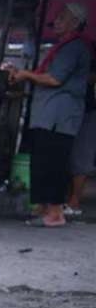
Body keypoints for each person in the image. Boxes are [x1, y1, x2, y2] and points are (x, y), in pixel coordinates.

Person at [4, 3, 91, 228]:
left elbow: (54, 79)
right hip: (48, 116)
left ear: (74, 22)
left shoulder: (74, 47)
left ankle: (55, 213)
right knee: (42, 161)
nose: (57, 21)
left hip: (59, 117)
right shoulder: (61, 47)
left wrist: (25, 74)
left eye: (62, 17)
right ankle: (44, 209)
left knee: (53, 162)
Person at [66, 52, 96, 220]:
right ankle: (70, 200)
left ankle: (74, 202)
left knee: (81, 157)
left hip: (88, 112)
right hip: (76, 111)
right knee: (73, 157)